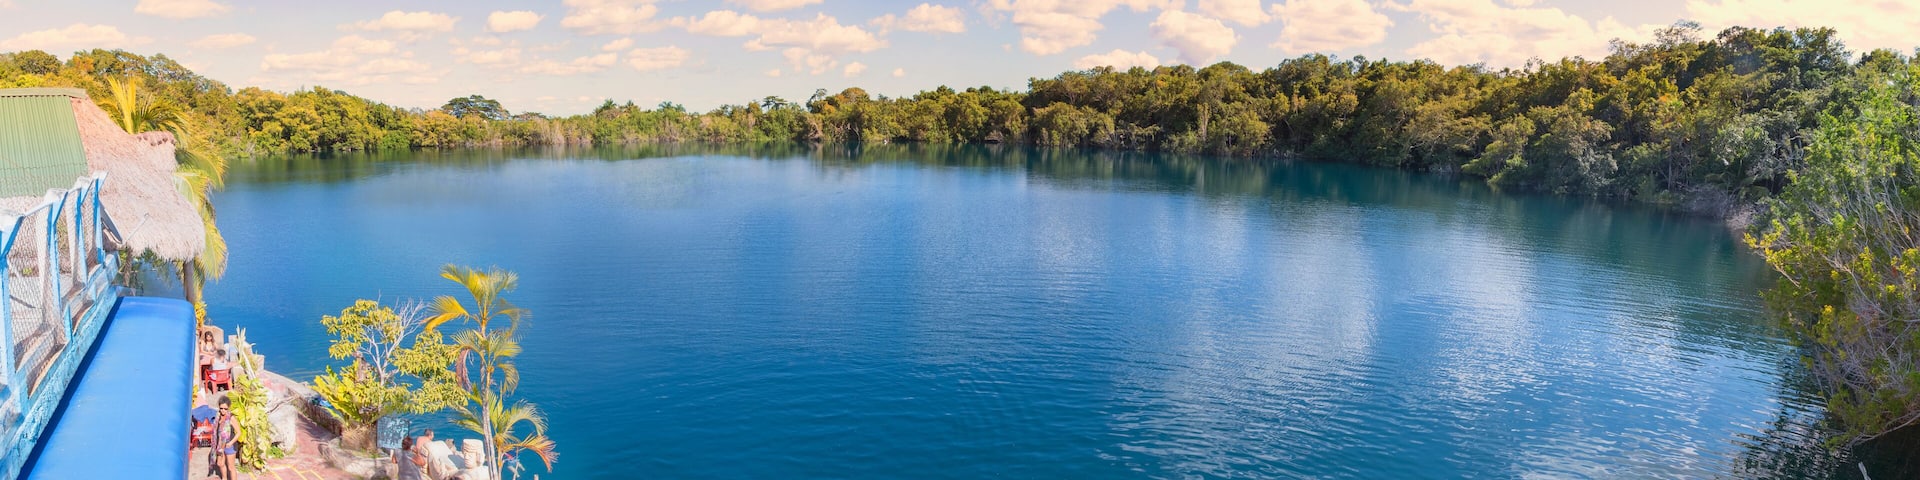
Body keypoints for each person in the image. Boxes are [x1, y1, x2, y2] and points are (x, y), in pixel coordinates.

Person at [213, 396, 238, 480]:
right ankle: (224, 478)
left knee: (231, 467)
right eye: (221, 408)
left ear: (229, 407)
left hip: (229, 445)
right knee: (220, 463)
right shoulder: (218, 416)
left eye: (225, 409)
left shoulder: (231, 418)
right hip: (220, 445)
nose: (223, 410)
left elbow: (239, 433)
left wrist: (231, 443)